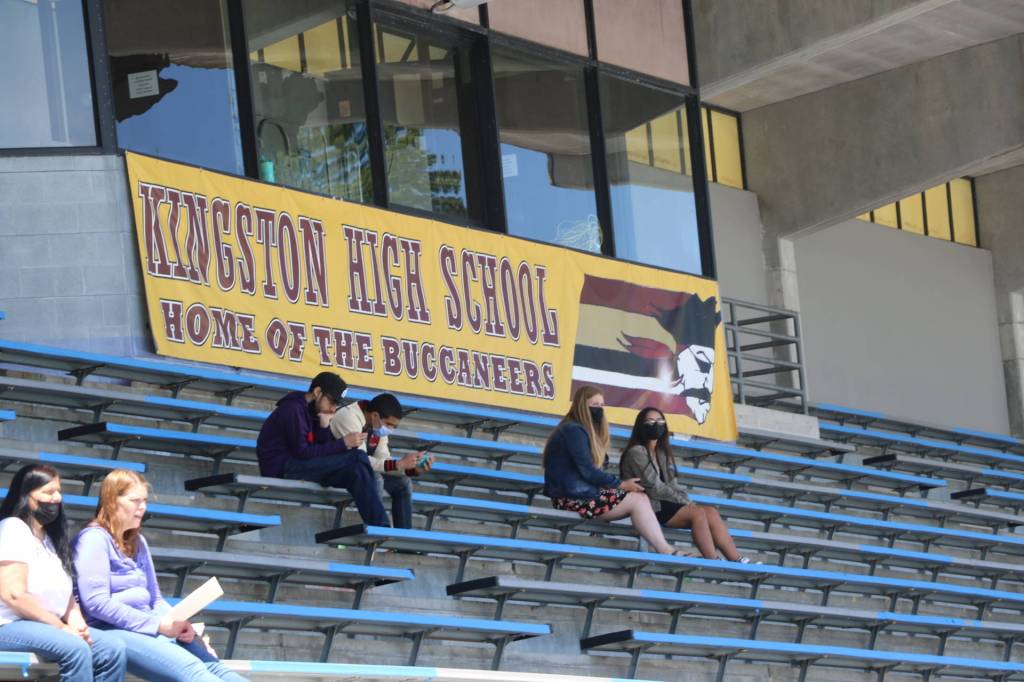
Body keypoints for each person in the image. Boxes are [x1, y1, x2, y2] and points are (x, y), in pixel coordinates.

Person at [73, 469, 249, 682]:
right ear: (111, 501)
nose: (142, 507)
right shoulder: (93, 539)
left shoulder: (138, 541)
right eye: (135, 500)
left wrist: (178, 622)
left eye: (144, 500)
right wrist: (157, 625)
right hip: (111, 630)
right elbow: (96, 603)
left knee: (218, 670)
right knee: (194, 672)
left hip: (150, 626)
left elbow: (154, 599)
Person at [0, 464, 127, 682]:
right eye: (48, 492)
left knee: (112, 649)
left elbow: (64, 594)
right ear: (25, 495)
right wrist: (60, 627)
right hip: (10, 624)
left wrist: (76, 622)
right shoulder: (12, 528)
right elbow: (13, 595)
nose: (56, 498)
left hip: (47, 625)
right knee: (75, 649)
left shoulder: (50, 539)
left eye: (58, 491)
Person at [542, 385, 685, 556]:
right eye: (594, 404)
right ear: (582, 405)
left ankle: (664, 548)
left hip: (581, 494)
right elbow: (587, 470)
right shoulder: (573, 430)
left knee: (640, 497)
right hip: (572, 498)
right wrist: (621, 484)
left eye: (602, 405)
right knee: (639, 500)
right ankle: (665, 549)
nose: (599, 409)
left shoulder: (580, 430)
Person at [620, 407, 754, 563]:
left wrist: (685, 500)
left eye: (659, 421)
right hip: (650, 505)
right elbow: (654, 487)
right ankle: (712, 560)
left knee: (710, 511)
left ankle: (736, 558)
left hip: (666, 502)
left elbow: (672, 484)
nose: (656, 424)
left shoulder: (662, 452)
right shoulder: (636, 452)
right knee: (697, 513)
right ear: (641, 426)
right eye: (650, 421)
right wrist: (685, 502)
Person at [256, 371, 390, 527]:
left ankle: (379, 527)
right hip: (281, 468)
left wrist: (324, 426)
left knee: (357, 470)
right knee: (357, 457)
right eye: (332, 402)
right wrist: (343, 443)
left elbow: (319, 448)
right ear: (318, 392)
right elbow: (303, 452)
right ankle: (380, 524)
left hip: (298, 465)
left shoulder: (313, 410)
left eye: (337, 404)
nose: (334, 408)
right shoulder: (293, 409)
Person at [330, 393, 434, 530]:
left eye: (394, 426)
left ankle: (403, 543)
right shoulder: (349, 417)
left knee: (403, 483)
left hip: (359, 471)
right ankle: (377, 533)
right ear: (375, 416)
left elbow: (383, 459)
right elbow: (359, 459)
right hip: (333, 469)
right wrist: (398, 464)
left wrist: (412, 468)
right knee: (376, 478)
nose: (390, 430)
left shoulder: (377, 428)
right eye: (389, 424)